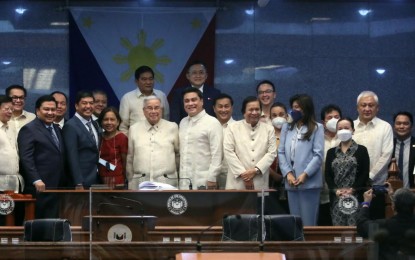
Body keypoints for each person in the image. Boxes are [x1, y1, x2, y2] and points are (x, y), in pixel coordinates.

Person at [278, 94, 324, 226]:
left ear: (306, 108)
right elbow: (280, 152)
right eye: (293, 107)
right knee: (295, 223)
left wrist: (305, 174)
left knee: (308, 224)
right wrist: (288, 174)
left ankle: (309, 247)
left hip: (309, 183)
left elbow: (318, 155)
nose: (294, 110)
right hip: (291, 182)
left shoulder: (317, 128)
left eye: (298, 107)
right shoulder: (287, 127)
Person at [18, 95, 65, 218]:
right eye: (46, 109)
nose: (50, 113)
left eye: (53, 109)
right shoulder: (28, 129)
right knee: (39, 223)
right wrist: (36, 179)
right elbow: (25, 157)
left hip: (56, 185)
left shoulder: (57, 128)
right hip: (39, 187)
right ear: (37, 111)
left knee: (53, 221)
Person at [353, 90, 393, 219]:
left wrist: (369, 176)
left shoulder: (385, 127)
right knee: (355, 226)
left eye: (371, 105)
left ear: (377, 108)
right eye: (363, 105)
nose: (367, 108)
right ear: (357, 108)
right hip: (353, 187)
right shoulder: (350, 127)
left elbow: (386, 155)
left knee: (376, 226)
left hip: (377, 186)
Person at [126, 96, 179, 190]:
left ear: (161, 110)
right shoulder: (134, 129)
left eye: (157, 107)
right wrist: (131, 181)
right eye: (149, 108)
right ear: (143, 110)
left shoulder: (173, 127)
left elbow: (178, 155)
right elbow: (130, 157)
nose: (153, 111)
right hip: (140, 184)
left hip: (167, 184)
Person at [325, 117, 369, 226]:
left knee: (354, 229)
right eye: (340, 128)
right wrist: (336, 191)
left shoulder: (362, 150)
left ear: (353, 130)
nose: (343, 130)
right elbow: (328, 174)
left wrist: (352, 189)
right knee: (338, 230)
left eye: (346, 128)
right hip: (337, 197)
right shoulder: (331, 152)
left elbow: (364, 173)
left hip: (355, 196)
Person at [179, 88, 222, 190]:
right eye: (186, 101)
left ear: (202, 101)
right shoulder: (183, 122)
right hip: (184, 182)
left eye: (194, 100)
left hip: (204, 182)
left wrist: (212, 178)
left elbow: (217, 154)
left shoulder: (212, 123)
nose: (190, 103)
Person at [356, 185, 415, 259]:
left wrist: (366, 203)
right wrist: (392, 196)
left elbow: (361, 225)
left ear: (393, 207)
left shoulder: (383, 225)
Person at [63, 91, 100, 188]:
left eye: (91, 103)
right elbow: (72, 156)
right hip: (81, 182)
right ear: (76, 106)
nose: (88, 106)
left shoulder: (95, 124)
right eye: (84, 103)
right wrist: (78, 182)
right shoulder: (70, 126)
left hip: (95, 179)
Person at [119, 66, 169, 134]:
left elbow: (166, 120)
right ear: (136, 81)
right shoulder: (127, 98)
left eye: (151, 79)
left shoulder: (161, 96)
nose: (148, 82)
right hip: (136, 141)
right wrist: (130, 142)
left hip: (159, 140)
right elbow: (123, 127)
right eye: (144, 79)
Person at [319, 104, 342, 226]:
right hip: (322, 193)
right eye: (330, 117)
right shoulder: (317, 139)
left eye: (337, 117)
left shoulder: (347, 139)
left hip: (343, 192)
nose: (333, 120)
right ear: (323, 122)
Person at [97, 107, 128, 188]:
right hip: (99, 181)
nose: (109, 122)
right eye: (106, 119)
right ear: (101, 122)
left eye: (112, 119)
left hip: (117, 182)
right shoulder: (99, 137)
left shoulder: (122, 138)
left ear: (118, 122)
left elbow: (125, 163)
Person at [268, 102, 290, 213]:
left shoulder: (293, 135)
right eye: (274, 115)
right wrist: (272, 173)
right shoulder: (265, 135)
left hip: (291, 183)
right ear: (270, 118)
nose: (278, 118)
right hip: (269, 183)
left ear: (287, 116)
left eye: (281, 114)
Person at [0, 95, 22, 193]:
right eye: (7, 109)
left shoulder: (11, 127)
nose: (10, 112)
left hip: (14, 182)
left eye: (12, 109)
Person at [213, 93, 235, 189]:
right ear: (214, 108)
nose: (223, 110)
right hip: (212, 178)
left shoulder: (239, 127)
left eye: (226, 106)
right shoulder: (209, 127)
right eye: (220, 107)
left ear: (232, 108)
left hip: (233, 177)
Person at [392, 111, 415, 188]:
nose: (401, 126)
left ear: (412, 127)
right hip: (390, 194)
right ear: (394, 127)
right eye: (398, 123)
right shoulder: (388, 145)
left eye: (405, 123)